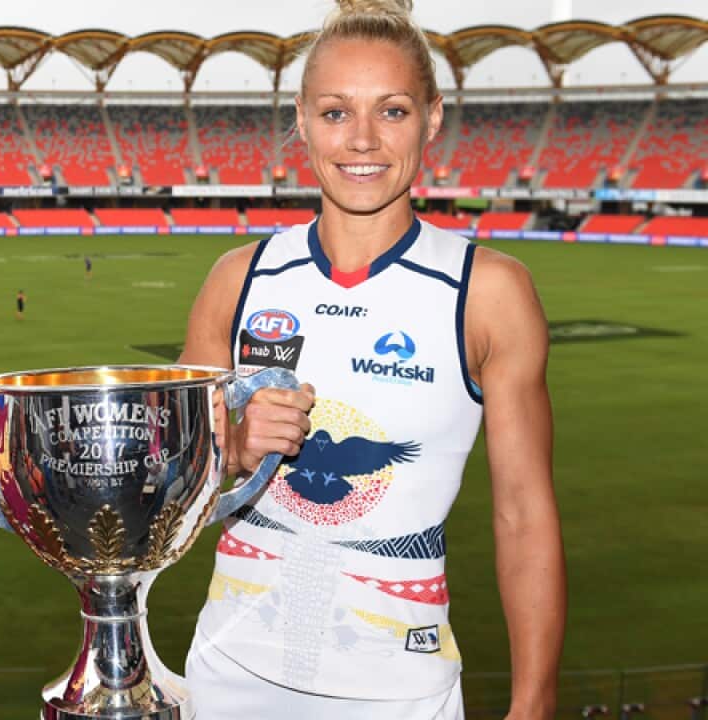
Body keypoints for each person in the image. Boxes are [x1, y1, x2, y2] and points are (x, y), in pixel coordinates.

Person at [178, 1, 565, 718]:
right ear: (301, 119)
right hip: (229, 674)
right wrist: (231, 448)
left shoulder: (488, 292)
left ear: (432, 117)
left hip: (401, 690)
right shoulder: (238, 279)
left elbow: (523, 515)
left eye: (391, 111)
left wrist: (533, 703)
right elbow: (167, 485)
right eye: (335, 112)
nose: (362, 139)